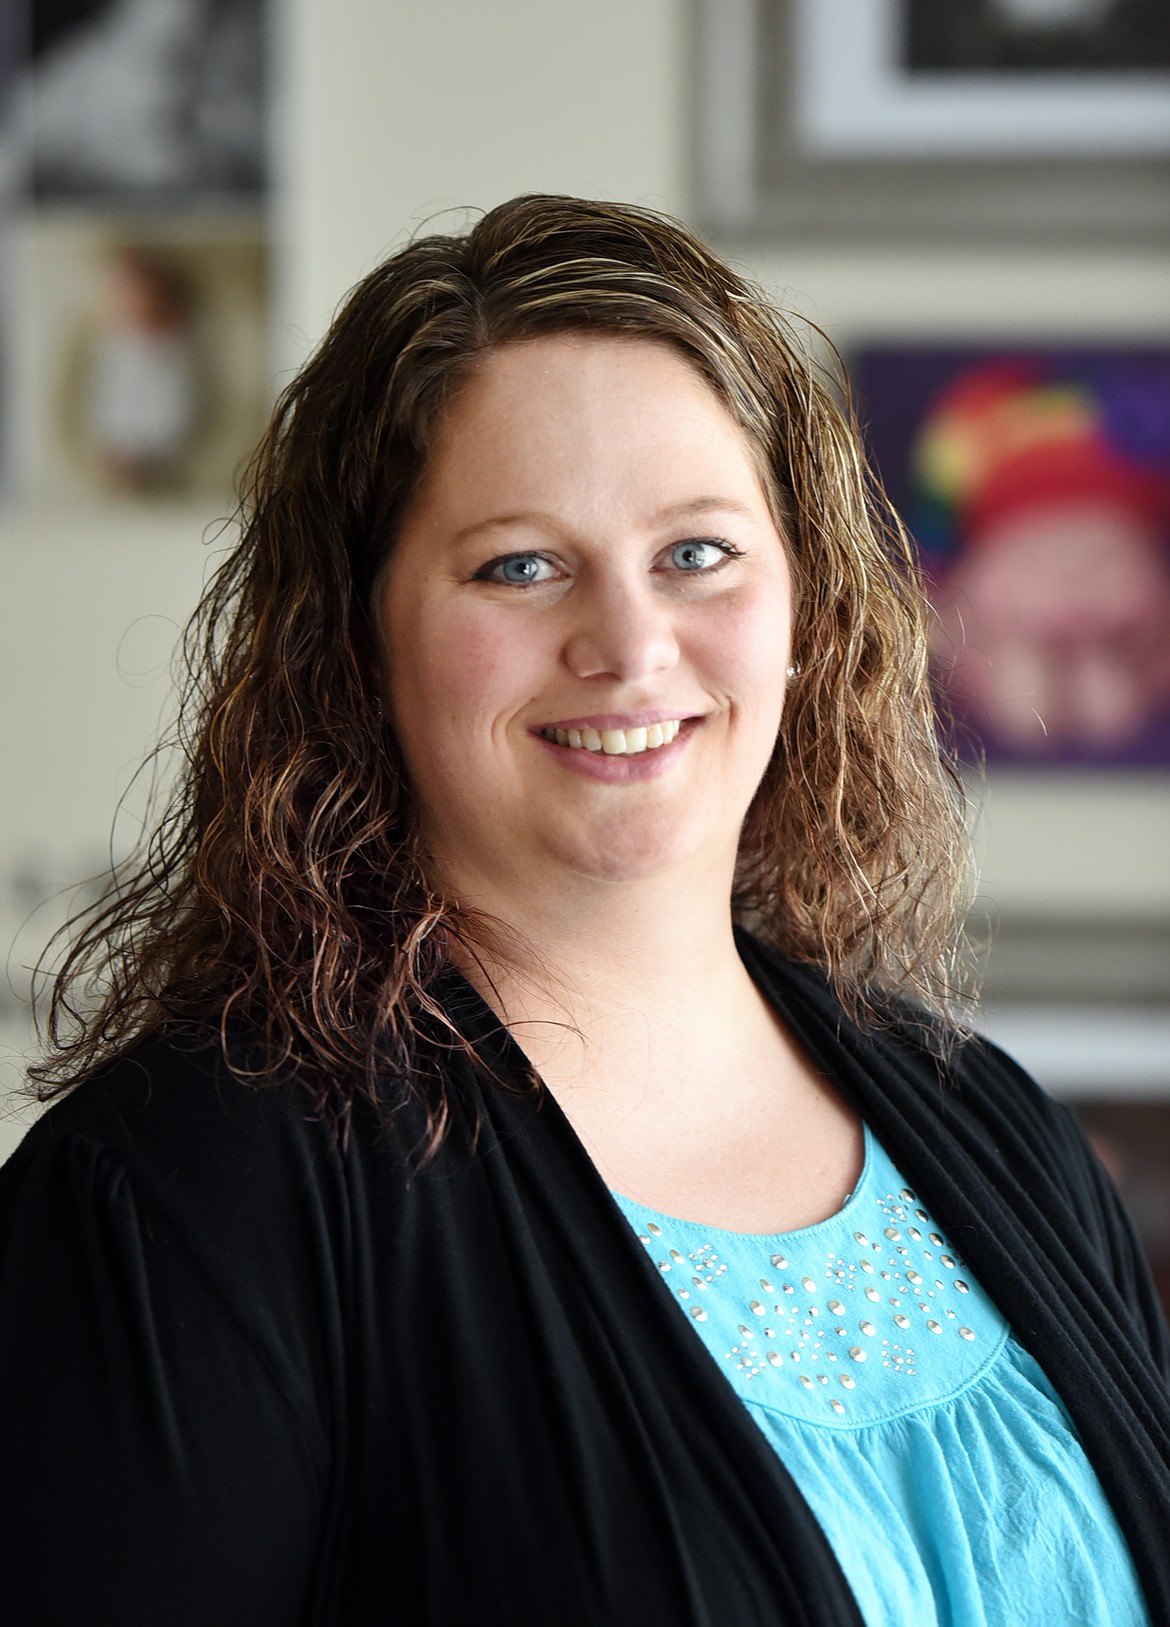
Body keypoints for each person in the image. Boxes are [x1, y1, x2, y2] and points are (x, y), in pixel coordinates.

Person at [1, 195, 1167, 1627]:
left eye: (697, 553)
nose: (628, 643)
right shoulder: (189, 1197)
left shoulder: (998, 1131)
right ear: (356, 643)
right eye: (518, 565)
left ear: (806, 605)